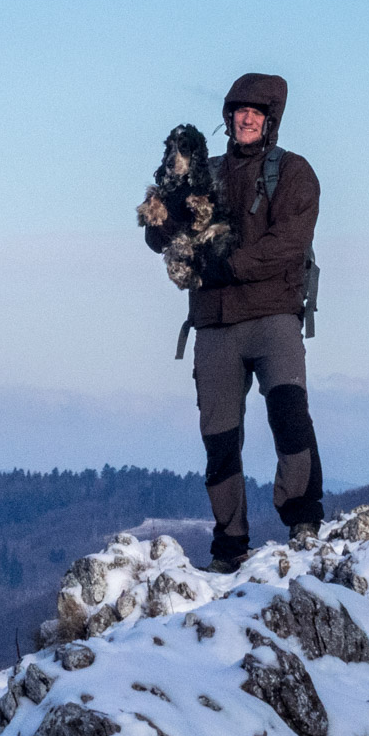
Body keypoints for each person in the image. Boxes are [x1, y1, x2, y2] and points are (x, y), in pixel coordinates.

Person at [144, 72, 323, 571]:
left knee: (290, 416)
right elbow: (161, 241)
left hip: (272, 316)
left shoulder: (292, 172)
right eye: (239, 110)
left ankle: (304, 521)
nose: (246, 118)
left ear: (271, 121)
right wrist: (163, 208)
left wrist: (231, 265)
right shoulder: (207, 173)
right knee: (219, 438)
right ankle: (229, 545)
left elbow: (288, 244)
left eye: (256, 112)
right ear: (228, 117)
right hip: (214, 323)